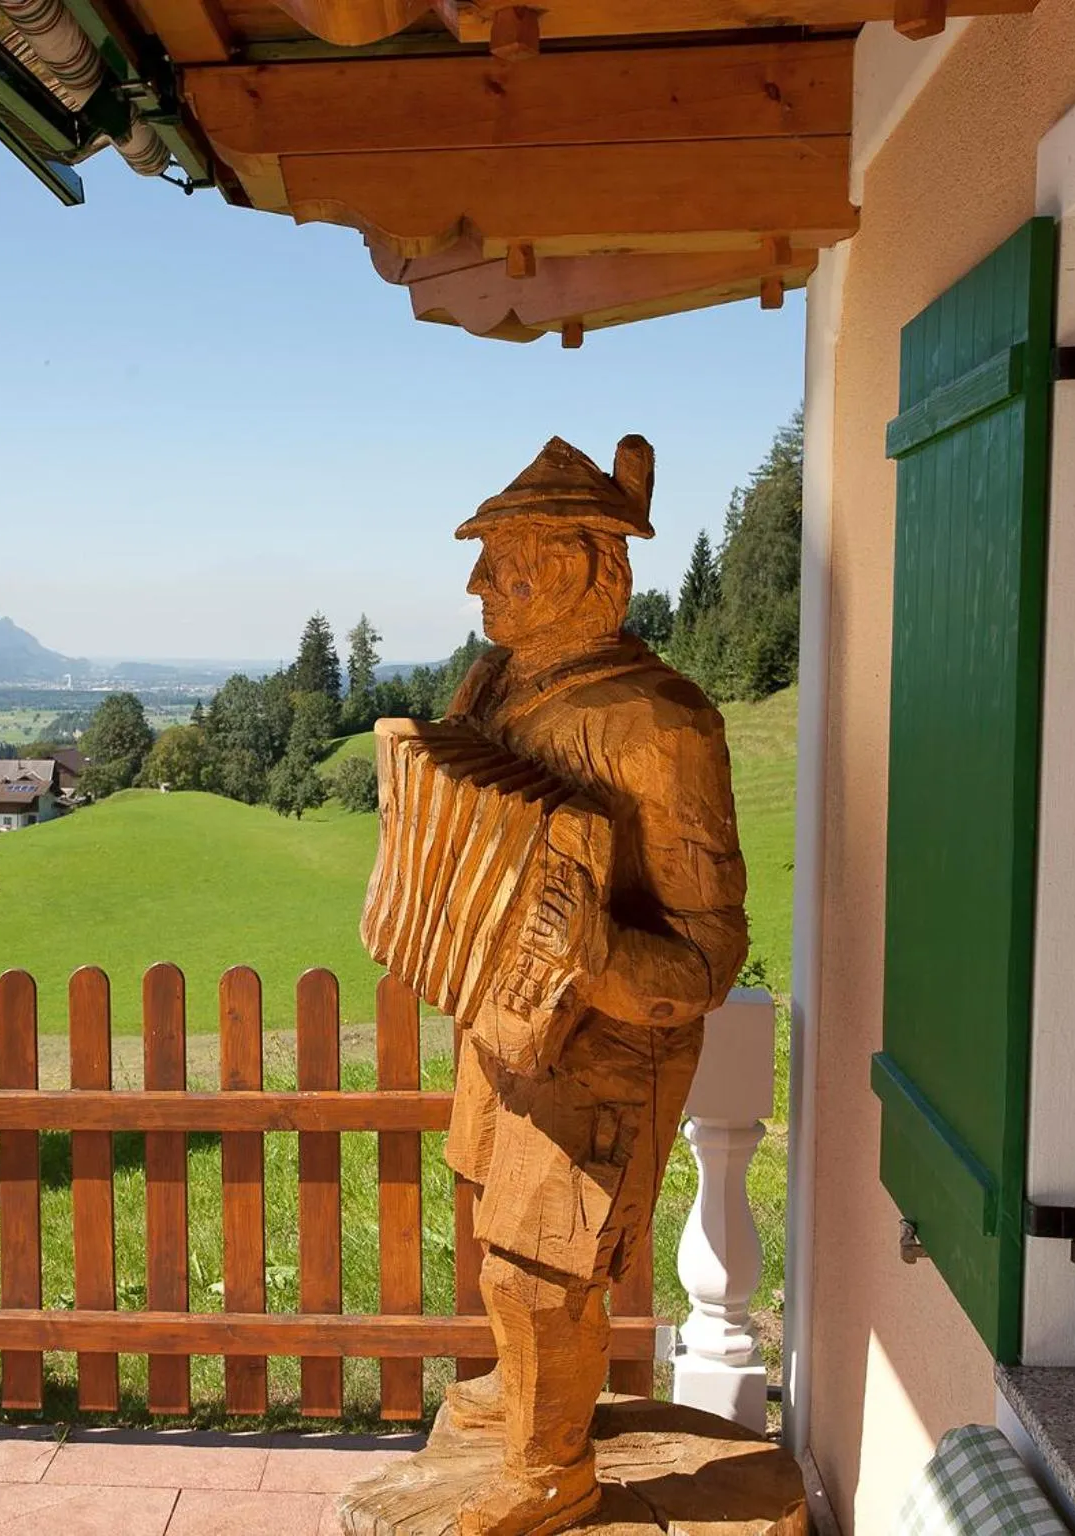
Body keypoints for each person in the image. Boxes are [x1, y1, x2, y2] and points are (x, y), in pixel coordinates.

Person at [439, 435, 749, 1536]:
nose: (478, 582)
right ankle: (527, 1402)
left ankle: (547, 1467)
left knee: (542, 1270)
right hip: (509, 1021)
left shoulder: (656, 724)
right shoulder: (491, 686)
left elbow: (708, 955)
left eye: (504, 558)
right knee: (496, 1232)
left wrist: (602, 962)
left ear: (577, 567)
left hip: (609, 1039)